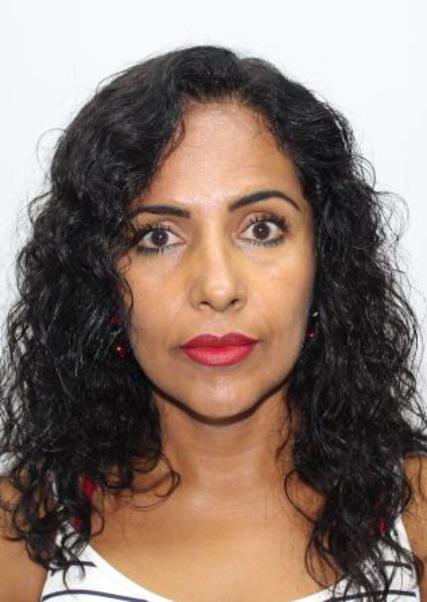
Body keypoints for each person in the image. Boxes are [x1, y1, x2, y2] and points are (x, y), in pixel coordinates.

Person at [0, 44, 426, 602]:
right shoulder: (19, 531)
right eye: (158, 237)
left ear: (325, 260)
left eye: (262, 229)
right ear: (99, 279)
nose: (218, 288)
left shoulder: (417, 512)